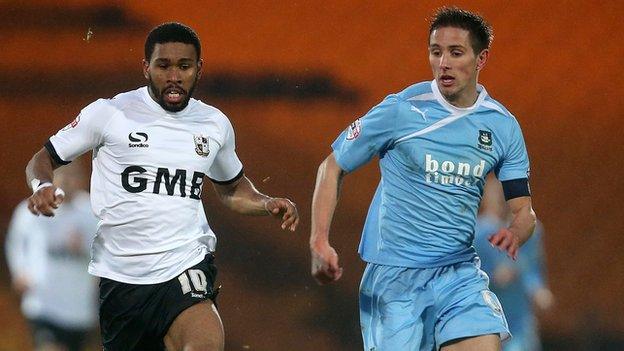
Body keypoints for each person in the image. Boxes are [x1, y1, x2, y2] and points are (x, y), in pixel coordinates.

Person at [24, 22, 299, 351]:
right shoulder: (110, 113)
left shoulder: (214, 124)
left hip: (185, 265)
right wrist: (41, 185)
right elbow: (43, 158)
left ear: (198, 69)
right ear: (145, 68)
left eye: (184, 66)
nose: (174, 76)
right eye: (163, 65)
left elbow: (232, 188)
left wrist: (266, 202)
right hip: (122, 281)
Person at [310, 7, 536, 351]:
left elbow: (524, 211)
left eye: (455, 52)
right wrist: (319, 240)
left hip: (459, 273)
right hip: (395, 277)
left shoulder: (502, 125)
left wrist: (516, 232)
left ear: (481, 58)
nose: (443, 62)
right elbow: (332, 167)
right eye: (436, 51)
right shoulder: (402, 110)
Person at [6, 163, 99, 351]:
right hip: (43, 302)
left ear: (82, 179)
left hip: (79, 308)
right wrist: (19, 272)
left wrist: (85, 249)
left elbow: (107, 251)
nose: (66, 181)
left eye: (72, 176)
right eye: (62, 175)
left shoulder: (93, 212)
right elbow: (15, 242)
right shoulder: (32, 209)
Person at [474, 175, 553, 351]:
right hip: (488, 319)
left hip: (520, 320)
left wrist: (538, 291)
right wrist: (493, 276)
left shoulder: (531, 230)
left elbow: (533, 270)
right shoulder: (479, 233)